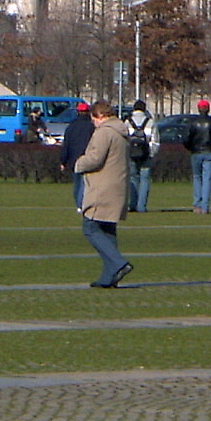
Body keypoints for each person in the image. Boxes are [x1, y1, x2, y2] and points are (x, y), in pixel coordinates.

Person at [73, 98, 132, 288]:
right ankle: (109, 277)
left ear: (99, 115)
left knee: (90, 227)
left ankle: (118, 263)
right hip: (117, 185)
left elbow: (95, 158)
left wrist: (78, 163)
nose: (93, 123)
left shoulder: (104, 132)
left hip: (102, 186)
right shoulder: (121, 131)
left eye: (93, 119)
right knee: (107, 229)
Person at [187, 97, 211, 214]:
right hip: (210, 152)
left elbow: (186, 138)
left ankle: (197, 205)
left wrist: (191, 148)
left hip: (196, 152)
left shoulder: (193, 123)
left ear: (198, 109)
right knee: (207, 179)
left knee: (197, 178)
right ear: (208, 109)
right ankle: (205, 207)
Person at [60, 101, 96, 209]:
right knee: (85, 183)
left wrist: (63, 161)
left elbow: (66, 145)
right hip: (87, 158)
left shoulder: (71, 127)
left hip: (74, 159)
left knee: (77, 184)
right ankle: (82, 204)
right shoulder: (92, 127)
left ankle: (78, 205)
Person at [125, 99, 156, 213]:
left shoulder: (127, 122)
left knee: (133, 179)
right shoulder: (150, 122)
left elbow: (124, 139)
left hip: (131, 154)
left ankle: (133, 204)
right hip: (145, 154)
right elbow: (155, 141)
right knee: (145, 180)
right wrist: (151, 154)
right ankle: (142, 206)